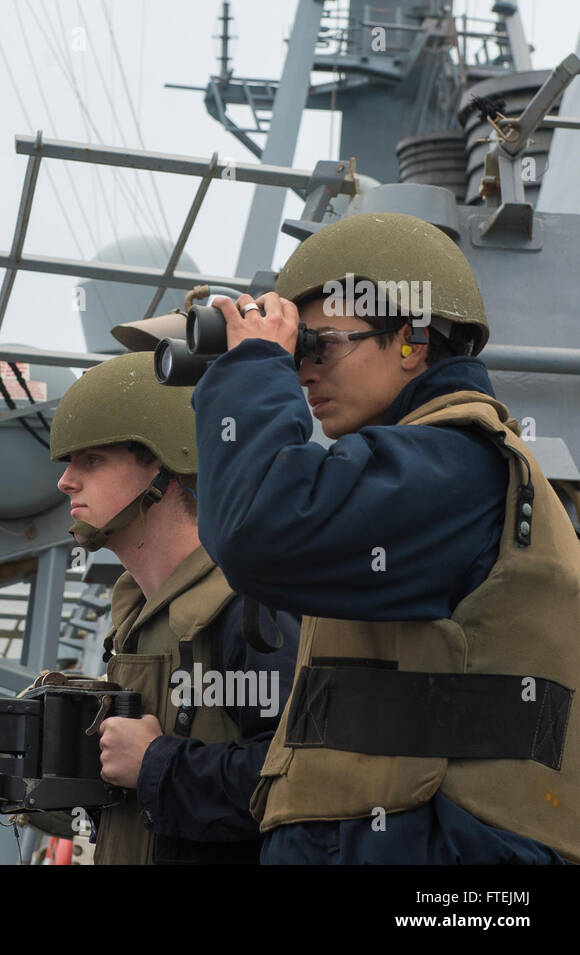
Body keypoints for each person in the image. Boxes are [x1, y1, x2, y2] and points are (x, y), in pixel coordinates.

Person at [193, 211, 579, 864]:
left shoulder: (460, 467)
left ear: (411, 340)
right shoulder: (416, 475)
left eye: (319, 347)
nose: (303, 373)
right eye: (295, 354)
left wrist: (255, 364)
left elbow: (255, 531)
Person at [49, 347, 299, 865]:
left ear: (162, 465)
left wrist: (156, 763)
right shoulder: (137, 621)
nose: (66, 481)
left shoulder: (250, 604)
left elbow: (301, 780)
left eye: (92, 460)